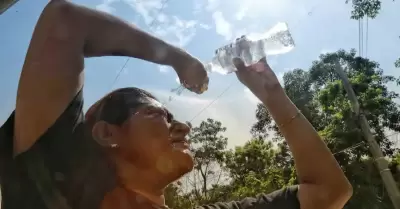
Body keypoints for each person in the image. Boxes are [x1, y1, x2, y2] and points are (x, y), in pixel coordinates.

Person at [0, 1, 353, 209]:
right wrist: (176, 57)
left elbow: (330, 191)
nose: (183, 127)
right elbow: (65, 20)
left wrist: (272, 94)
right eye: (158, 114)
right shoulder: (56, 188)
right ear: (108, 133)